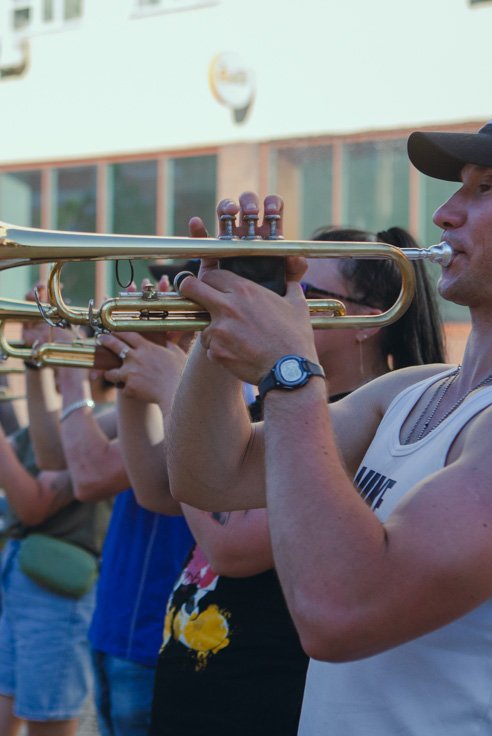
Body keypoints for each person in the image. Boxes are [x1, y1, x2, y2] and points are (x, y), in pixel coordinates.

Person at [167, 92, 492, 733]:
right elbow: (210, 477)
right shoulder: (416, 392)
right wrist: (226, 311)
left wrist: (288, 373)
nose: (445, 212)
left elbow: (336, 613)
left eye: (485, 188)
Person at [99, 228, 445, 735]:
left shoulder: (362, 421)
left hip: (261, 694)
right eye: (285, 287)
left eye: (306, 293)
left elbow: (230, 545)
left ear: (367, 321)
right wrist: (134, 374)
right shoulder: (276, 402)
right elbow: (158, 488)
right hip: (197, 688)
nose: (283, 301)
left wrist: (171, 387)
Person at [26, 309, 194, 736]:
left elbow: (88, 475)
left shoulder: (208, 392)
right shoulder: (162, 389)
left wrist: (70, 375)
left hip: (152, 631)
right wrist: (37, 362)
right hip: (116, 618)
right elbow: (52, 454)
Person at [0, 377, 108, 736]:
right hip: (22, 576)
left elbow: (32, 506)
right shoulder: (49, 423)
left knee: (48, 724)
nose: (33, 343)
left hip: (58, 593)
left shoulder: (103, 423)